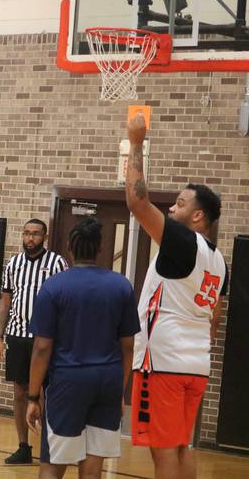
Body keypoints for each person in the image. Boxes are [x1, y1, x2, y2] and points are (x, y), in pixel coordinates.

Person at [125, 113, 228, 479]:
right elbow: (214, 317)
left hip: (165, 362)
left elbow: (137, 204)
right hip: (196, 363)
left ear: (198, 215)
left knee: (163, 450)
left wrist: (136, 142)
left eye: (181, 204)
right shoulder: (220, 262)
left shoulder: (185, 243)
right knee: (182, 445)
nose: (172, 208)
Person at [25, 217, 140, 479]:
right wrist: (119, 390)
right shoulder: (121, 285)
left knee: (52, 464)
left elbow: (42, 348)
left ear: (69, 247)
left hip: (69, 381)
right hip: (108, 381)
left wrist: (33, 397)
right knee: (92, 467)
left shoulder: (53, 286)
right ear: (100, 248)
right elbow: (128, 346)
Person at [0, 219, 68, 464]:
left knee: (46, 392)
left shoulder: (57, 263)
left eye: (35, 234)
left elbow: (66, 301)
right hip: (17, 334)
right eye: (26, 233)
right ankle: (23, 446)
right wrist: (0, 337)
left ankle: (48, 445)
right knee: (19, 391)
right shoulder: (13, 264)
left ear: (44, 237)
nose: (30, 238)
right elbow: (5, 301)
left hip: (45, 337)